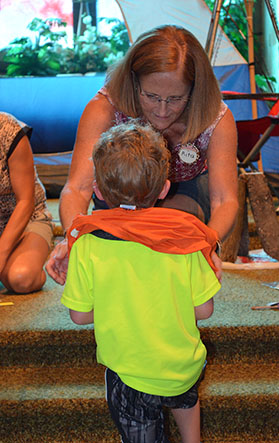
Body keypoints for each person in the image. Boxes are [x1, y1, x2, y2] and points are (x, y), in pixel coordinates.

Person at [61, 120, 221, 442]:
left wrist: (120, 307)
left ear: (98, 191)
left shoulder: (88, 242)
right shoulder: (185, 236)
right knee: (184, 394)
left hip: (130, 374)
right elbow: (204, 311)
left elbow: (79, 316)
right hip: (182, 367)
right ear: (164, 188)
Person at [46, 24, 238, 285]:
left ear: (195, 90)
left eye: (175, 99)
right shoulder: (104, 108)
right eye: (151, 96)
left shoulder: (216, 117)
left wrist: (207, 244)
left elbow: (224, 199)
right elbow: (78, 188)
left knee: (174, 233)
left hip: (184, 195)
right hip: (120, 195)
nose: (162, 110)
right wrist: (73, 237)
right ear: (134, 82)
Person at [0, 112, 53, 293]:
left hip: (25, 219)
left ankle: (33, 252)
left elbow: (25, 202)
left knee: (20, 278)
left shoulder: (8, 129)